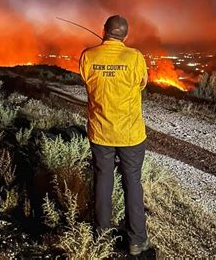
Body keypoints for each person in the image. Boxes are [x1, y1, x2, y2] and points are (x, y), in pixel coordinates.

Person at [79, 15, 150, 256]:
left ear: (104, 31)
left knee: (103, 180)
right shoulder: (135, 57)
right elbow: (141, 83)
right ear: (126, 36)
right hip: (130, 133)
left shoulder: (88, 56)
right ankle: (137, 241)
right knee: (132, 183)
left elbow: (88, 83)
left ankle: (102, 236)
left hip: (100, 133)